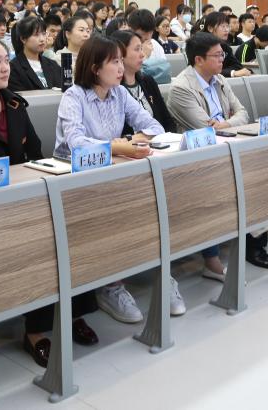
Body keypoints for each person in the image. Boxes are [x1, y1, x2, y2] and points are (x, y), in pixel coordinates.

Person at [0, 35, 99, 366]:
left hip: (25, 196)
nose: (5, 68)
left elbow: (35, 153)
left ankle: (71, 313)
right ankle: (36, 331)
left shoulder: (14, 104)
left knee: (73, 227)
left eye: (6, 61)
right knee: (39, 241)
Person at [53, 36, 181, 322]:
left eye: (122, 61)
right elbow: (76, 143)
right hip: (76, 181)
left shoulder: (120, 93)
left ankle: (161, 273)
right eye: (114, 62)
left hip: (112, 171)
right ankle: (110, 286)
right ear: (95, 68)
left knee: (154, 206)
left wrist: (127, 142)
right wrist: (120, 146)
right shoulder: (73, 96)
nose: (121, 68)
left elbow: (155, 126)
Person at [167, 32, 268, 272]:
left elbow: (243, 113)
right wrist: (226, 124)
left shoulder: (220, 80)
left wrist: (225, 123)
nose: (222, 59)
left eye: (222, 54)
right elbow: (204, 128)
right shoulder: (181, 87)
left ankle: (256, 240)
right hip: (199, 157)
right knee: (246, 178)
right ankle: (251, 245)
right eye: (216, 55)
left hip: (229, 144)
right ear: (198, 60)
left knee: (266, 168)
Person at [110, 31, 176, 134]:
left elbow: (167, 120)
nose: (142, 54)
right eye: (137, 49)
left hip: (159, 139)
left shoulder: (148, 81)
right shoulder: (114, 89)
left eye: (141, 48)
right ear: (120, 54)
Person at [9, 15, 63, 91]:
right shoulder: (13, 68)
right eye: (36, 35)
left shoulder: (53, 65)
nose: (42, 39)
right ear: (23, 39)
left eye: (43, 34)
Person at [201, 11, 251, 78]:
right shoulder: (201, 45)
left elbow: (237, 66)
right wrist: (232, 73)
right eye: (223, 26)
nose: (226, 30)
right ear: (210, 28)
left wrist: (226, 72)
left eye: (227, 26)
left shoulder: (224, 46)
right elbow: (206, 70)